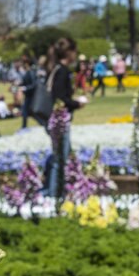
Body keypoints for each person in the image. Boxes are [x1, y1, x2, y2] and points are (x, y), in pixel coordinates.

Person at [38, 37, 87, 195]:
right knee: (60, 160)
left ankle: (57, 192)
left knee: (62, 157)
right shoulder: (62, 71)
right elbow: (60, 99)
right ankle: (53, 195)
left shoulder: (55, 69)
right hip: (59, 121)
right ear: (69, 53)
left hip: (55, 120)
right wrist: (77, 103)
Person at [19, 57, 39, 128]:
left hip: (31, 95)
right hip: (28, 95)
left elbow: (34, 85)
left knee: (28, 111)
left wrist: (25, 88)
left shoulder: (31, 72)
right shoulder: (27, 72)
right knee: (27, 111)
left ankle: (24, 127)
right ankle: (24, 126)